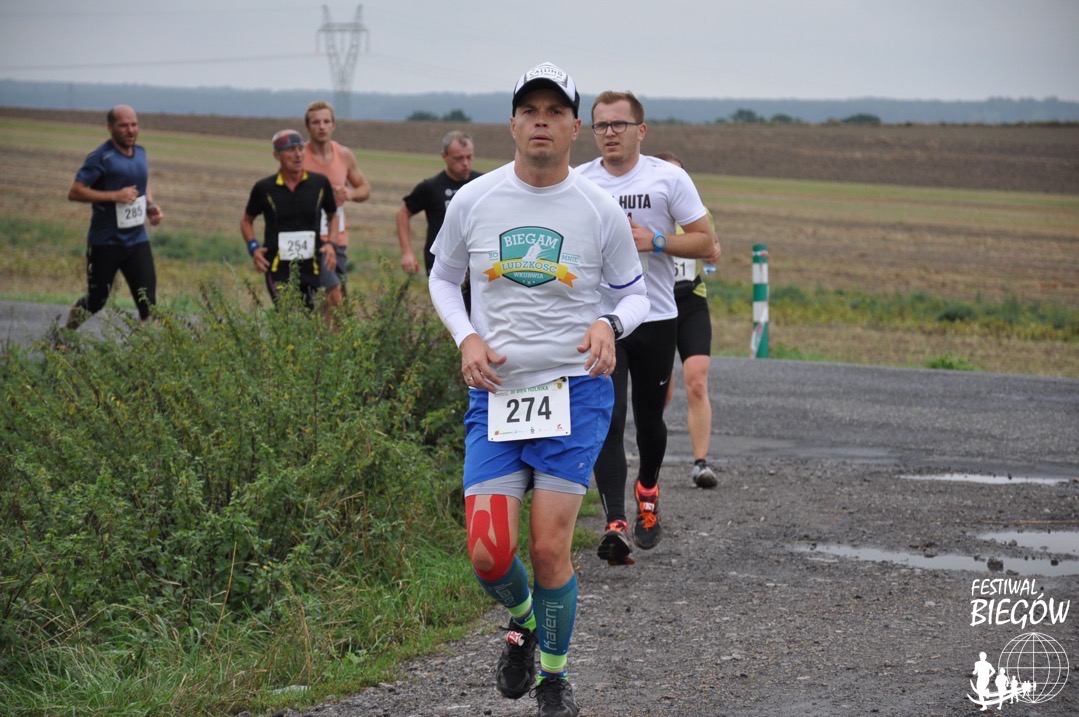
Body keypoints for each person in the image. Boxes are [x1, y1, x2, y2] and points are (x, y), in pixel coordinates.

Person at [428, 62, 649, 717]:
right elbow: (442, 279)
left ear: (575, 127)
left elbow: (634, 295)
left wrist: (609, 325)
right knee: (487, 554)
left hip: (574, 393)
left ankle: (553, 679)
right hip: (496, 392)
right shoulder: (474, 200)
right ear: (513, 123)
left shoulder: (598, 208)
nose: (542, 122)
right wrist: (466, 337)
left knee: (550, 548)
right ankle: (523, 620)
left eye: (555, 111)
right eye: (531, 111)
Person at [577, 91, 720, 566]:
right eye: (601, 125)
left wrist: (656, 240)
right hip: (604, 320)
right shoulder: (580, 181)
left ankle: (648, 489)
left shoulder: (668, 178)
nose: (610, 133)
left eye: (619, 124)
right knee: (609, 417)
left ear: (641, 130)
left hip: (656, 315)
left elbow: (705, 242)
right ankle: (616, 522)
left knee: (649, 420)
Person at [64, 104, 164, 331]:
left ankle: (145, 351)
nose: (131, 130)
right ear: (110, 128)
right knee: (96, 301)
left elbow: (143, 183)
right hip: (105, 242)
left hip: (137, 241)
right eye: (124, 126)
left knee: (148, 303)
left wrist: (150, 206)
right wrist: (114, 196)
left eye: (134, 125)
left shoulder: (141, 153)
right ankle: (64, 337)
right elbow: (75, 192)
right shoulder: (101, 157)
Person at [655, 151, 720, 489]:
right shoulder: (645, 213)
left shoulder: (699, 212)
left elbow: (710, 254)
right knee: (660, 392)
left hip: (691, 301)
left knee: (697, 381)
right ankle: (649, 454)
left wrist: (712, 256)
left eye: (680, 175)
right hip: (657, 305)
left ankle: (700, 463)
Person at [241, 129, 339, 310]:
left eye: (300, 149)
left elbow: (333, 216)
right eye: (290, 150)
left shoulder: (319, 184)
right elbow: (246, 220)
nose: (298, 155)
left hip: (312, 266)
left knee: (312, 318)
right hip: (277, 266)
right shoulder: (264, 188)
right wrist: (253, 248)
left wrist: (331, 244)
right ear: (277, 155)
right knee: (288, 316)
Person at [302, 100, 371, 299]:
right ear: (307, 126)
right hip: (309, 234)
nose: (322, 127)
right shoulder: (300, 156)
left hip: (338, 236)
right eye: (316, 122)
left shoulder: (344, 155)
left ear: (333, 125)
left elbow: (365, 188)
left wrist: (350, 194)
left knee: (334, 296)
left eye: (326, 122)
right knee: (331, 293)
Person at [396, 130, 482, 275]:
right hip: (440, 266)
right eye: (458, 158)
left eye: (469, 157)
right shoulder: (430, 187)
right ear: (444, 156)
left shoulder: (483, 184)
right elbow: (403, 213)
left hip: (477, 264)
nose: (465, 163)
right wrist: (407, 253)